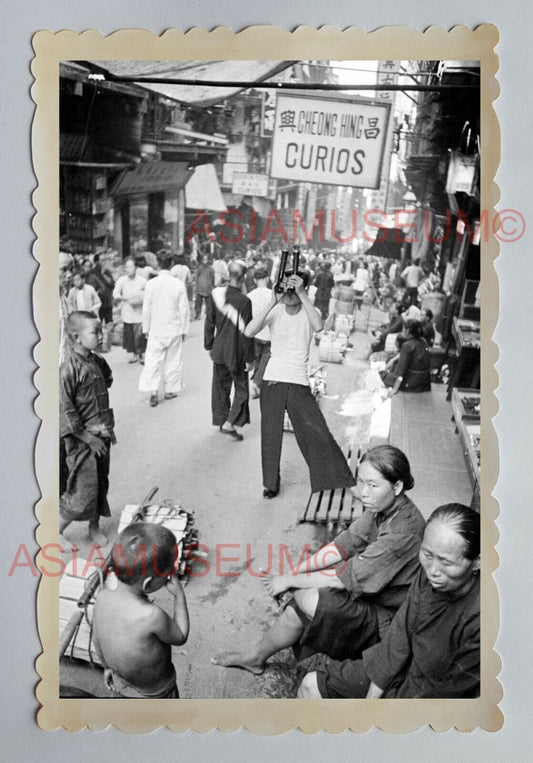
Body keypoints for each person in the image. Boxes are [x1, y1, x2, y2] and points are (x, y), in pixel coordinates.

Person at [212, 446, 425, 673]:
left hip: (390, 620)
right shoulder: (380, 508)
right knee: (299, 606)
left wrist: (290, 581)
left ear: (398, 486)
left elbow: (341, 579)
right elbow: (340, 547)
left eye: (372, 485)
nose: (363, 492)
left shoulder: (404, 531)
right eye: (361, 482)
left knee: (311, 598)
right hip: (371, 596)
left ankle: (314, 653)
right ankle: (255, 658)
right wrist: (294, 573)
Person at [299, 503, 480, 699]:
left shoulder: (480, 620)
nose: (433, 570)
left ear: (477, 562)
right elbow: (400, 633)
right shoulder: (428, 576)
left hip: (426, 697)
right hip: (400, 666)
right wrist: (372, 698)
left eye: (446, 562)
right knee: (310, 686)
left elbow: (449, 694)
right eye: (427, 554)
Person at [244, 271, 355, 499]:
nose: (288, 294)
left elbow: (319, 326)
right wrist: (272, 301)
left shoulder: (308, 312)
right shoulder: (275, 310)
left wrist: (303, 293)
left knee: (318, 431)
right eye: (285, 289)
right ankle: (271, 484)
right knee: (270, 436)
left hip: (297, 381)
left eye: (293, 290)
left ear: (303, 290)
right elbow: (249, 330)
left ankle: (337, 478)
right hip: (273, 380)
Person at [92, 523, 189, 698]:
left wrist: (107, 667)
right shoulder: (151, 616)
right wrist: (179, 595)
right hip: (155, 694)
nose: (173, 573)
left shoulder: (102, 597)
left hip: (119, 682)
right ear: (148, 584)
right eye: (169, 571)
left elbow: (97, 639)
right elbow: (180, 635)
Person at [60, 311, 115, 546]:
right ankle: (56, 530)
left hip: (102, 435)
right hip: (82, 441)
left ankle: (94, 527)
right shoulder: (68, 369)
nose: (101, 336)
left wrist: (106, 429)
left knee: (101, 483)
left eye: (101, 330)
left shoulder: (96, 360)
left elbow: (107, 381)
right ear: (77, 337)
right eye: (96, 332)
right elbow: (65, 410)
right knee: (82, 490)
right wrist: (87, 437)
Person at [204, 261, 254, 440]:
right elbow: (247, 333)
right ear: (243, 278)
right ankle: (230, 422)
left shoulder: (215, 295)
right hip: (237, 352)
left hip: (219, 350)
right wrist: (250, 358)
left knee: (220, 388)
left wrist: (209, 345)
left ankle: (221, 420)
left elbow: (209, 323)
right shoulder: (245, 302)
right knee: (242, 389)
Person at [138, 249, 190, 407]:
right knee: (173, 360)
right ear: (172, 264)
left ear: (158, 264)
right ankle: (169, 390)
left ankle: (153, 391)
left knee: (153, 360)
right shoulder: (178, 284)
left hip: (156, 328)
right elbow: (184, 309)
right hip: (174, 328)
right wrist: (184, 330)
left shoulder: (151, 284)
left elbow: (146, 308)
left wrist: (145, 328)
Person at [380, 320, 432, 395]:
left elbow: (401, 371)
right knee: (394, 363)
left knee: (380, 374)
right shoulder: (423, 341)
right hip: (424, 383)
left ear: (407, 330)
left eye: (403, 329)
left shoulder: (407, 345)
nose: (402, 331)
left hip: (411, 383)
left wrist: (394, 389)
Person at [112, 258, 147, 363]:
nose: (129, 269)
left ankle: (141, 355)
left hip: (139, 312)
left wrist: (140, 298)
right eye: (127, 267)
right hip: (127, 311)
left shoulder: (142, 281)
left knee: (140, 335)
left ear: (135, 268)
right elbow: (115, 293)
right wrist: (124, 298)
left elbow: (148, 294)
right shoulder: (121, 280)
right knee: (130, 335)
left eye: (131, 266)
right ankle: (134, 355)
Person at [247, 266, 272, 398]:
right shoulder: (272, 295)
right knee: (265, 360)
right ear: (267, 278)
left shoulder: (249, 296)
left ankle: (255, 383)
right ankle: (256, 383)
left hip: (255, 334)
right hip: (269, 334)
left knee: (256, 359)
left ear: (255, 280)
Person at [84, 255, 115, 324]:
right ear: (97, 261)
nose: (104, 262)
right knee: (97, 325)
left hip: (108, 302)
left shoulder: (107, 272)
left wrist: (103, 274)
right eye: (102, 260)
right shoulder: (92, 272)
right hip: (97, 304)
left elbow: (111, 283)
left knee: (109, 324)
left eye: (105, 260)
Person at [194, 254, 215, 320]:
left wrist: (212, 286)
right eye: (204, 259)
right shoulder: (200, 268)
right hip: (200, 288)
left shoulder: (211, 269)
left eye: (206, 259)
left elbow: (212, 278)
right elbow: (196, 277)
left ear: (208, 260)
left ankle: (209, 315)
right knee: (198, 303)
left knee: (208, 304)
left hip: (207, 288)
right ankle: (198, 315)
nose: (205, 261)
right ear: (202, 260)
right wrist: (196, 285)